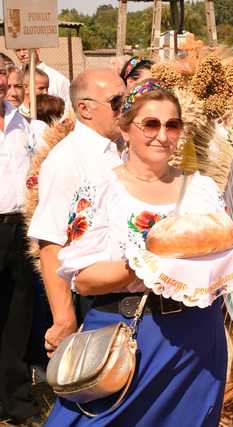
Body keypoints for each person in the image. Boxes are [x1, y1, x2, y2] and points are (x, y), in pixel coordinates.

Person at [45, 79, 233, 425]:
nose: (163, 135)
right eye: (151, 124)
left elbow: (221, 263)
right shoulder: (99, 190)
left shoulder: (201, 190)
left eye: (172, 125)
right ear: (125, 129)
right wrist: (145, 267)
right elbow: (83, 281)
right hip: (130, 336)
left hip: (197, 338)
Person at [28, 69, 126, 357]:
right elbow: (50, 240)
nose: (127, 107)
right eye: (117, 101)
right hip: (96, 299)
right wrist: (64, 318)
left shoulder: (122, 148)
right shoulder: (67, 159)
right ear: (84, 108)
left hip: (130, 290)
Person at [0, 54, 43, 425]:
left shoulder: (25, 123)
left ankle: (16, 402)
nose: (0, 81)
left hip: (20, 225)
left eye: (2, 73)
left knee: (18, 315)